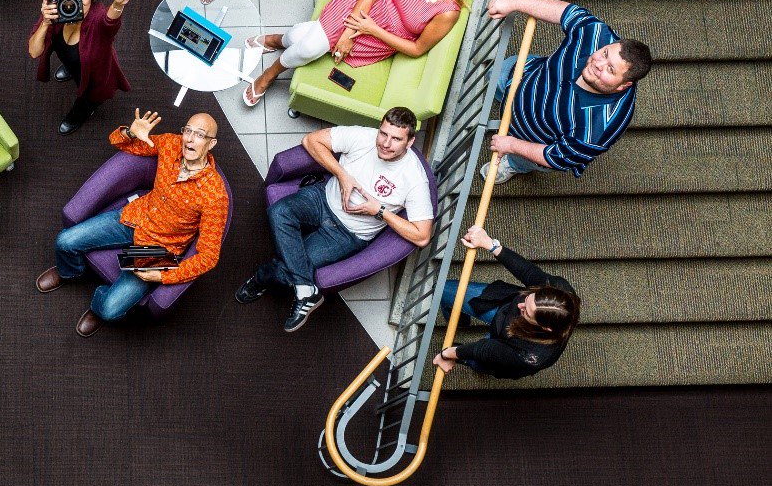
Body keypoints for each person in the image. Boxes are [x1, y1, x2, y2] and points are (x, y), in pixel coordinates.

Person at [37, 109, 230, 338]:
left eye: (199, 134)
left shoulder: (215, 195)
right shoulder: (171, 144)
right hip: (135, 217)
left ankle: (98, 307)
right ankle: (72, 272)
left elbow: (208, 256)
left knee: (110, 310)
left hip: (159, 248)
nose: (188, 138)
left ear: (212, 143)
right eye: (187, 130)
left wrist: (162, 276)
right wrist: (130, 132)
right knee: (65, 241)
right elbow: (122, 144)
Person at [237, 108, 433, 332]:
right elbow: (311, 140)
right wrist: (342, 175)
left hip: (347, 234)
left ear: (409, 142)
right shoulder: (363, 137)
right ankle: (306, 290)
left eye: (396, 139)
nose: (386, 143)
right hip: (322, 199)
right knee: (279, 212)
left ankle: (262, 280)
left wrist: (379, 211)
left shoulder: (415, 179)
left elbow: (422, 236)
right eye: (383, 134)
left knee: (285, 271)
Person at [243, 0, 474, 106]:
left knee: (301, 39)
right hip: (361, 4)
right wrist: (347, 34)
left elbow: (417, 49)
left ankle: (277, 40)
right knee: (309, 48)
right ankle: (269, 75)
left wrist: (372, 29)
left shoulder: (447, 12)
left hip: (379, 36)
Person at [484, 0, 651, 182]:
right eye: (604, 54)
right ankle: (502, 98)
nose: (599, 64)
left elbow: (557, 157)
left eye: (610, 69)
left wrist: (513, 145)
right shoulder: (596, 34)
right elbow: (566, 12)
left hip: (530, 139)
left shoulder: (598, 129)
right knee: (493, 77)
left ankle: (513, 164)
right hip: (520, 74)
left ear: (624, 85)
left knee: (522, 160)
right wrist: (515, 3)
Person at [433, 225, 579, 380]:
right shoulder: (560, 291)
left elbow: (485, 349)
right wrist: (490, 244)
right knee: (441, 290)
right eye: (529, 297)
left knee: (479, 361)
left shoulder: (531, 356)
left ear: (545, 327)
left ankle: (470, 362)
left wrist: (447, 354)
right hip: (500, 304)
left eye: (526, 311)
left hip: (508, 350)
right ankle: (461, 321)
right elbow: (528, 272)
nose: (519, 305)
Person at [27, 0, 140, 135]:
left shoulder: (97, 17)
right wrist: (46, 22)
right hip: (72, 58)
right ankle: (71, 70)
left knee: (87, 99)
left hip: (97, 73)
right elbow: (34, 52)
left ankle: (80, 114)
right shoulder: (56, 6)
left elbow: (109, 21)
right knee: (73, 61)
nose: (74, 1)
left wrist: (118, 3)